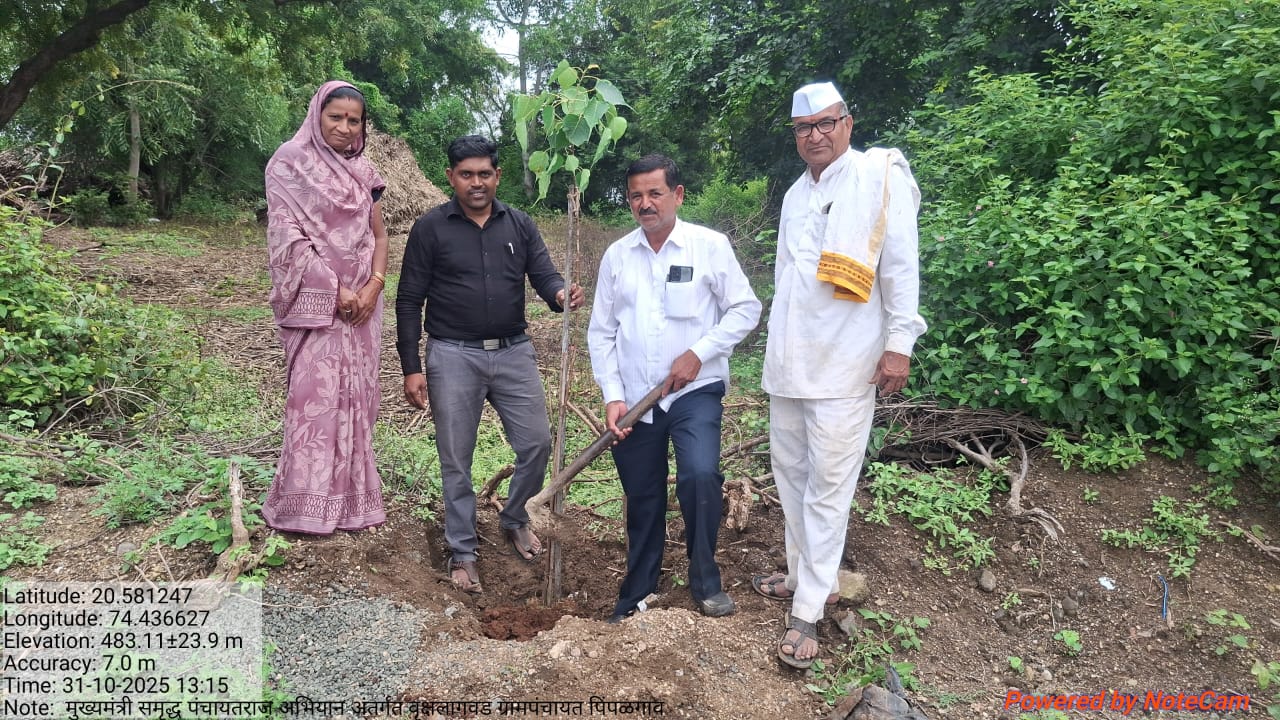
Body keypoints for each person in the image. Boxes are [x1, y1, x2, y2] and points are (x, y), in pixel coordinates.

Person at [757, 82, 926, 668]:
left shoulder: (876, 177)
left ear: (848, 123)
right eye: (804, 128)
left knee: (829, 487)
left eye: (825, 123)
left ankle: (808, 611)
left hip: (848, 362)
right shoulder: (793, 195)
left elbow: (901, 264)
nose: (815, 135)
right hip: (790, 362)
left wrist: (899, 344)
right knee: (791, 477)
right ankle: (809, 578)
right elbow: (784, 279)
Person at [395, 135, 584, 594]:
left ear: (497, 176)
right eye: (466, 174)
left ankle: (514, 516)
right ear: (451, 177)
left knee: (537, 442)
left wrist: (561, 293)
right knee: (456, 459)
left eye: (485, 174)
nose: (476, 183)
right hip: (452, 354)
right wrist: (411, 365)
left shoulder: (519, 224)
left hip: (513, 351)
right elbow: (408, 300)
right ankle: (462, 551)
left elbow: (543, 275)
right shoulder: (430, 228)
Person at [587, 154, 762, 623]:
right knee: (643, 494)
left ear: (678, 195)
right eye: (636, 196)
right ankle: (639, 589)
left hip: (694, 391)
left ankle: (705, 580)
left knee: (700, 475)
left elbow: (745, 309)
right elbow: (601, 331)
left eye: (655, 193)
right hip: (635, 400)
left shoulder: (709, 246)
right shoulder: (617, 256)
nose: (645, 204)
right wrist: (612, 394)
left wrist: (700, 352)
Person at [261, 80, 389, 534]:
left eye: (354, 120)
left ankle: (353, 504)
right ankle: (303, 505)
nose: (344, 127)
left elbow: (379, 236)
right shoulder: (288, 165)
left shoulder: (364, 172)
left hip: (363, 311)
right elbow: (286, 237)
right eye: (336, 117)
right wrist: (335, 290)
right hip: (319, 308)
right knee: (313, 402)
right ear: (317, 115)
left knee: (360, 400)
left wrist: (373, 286)